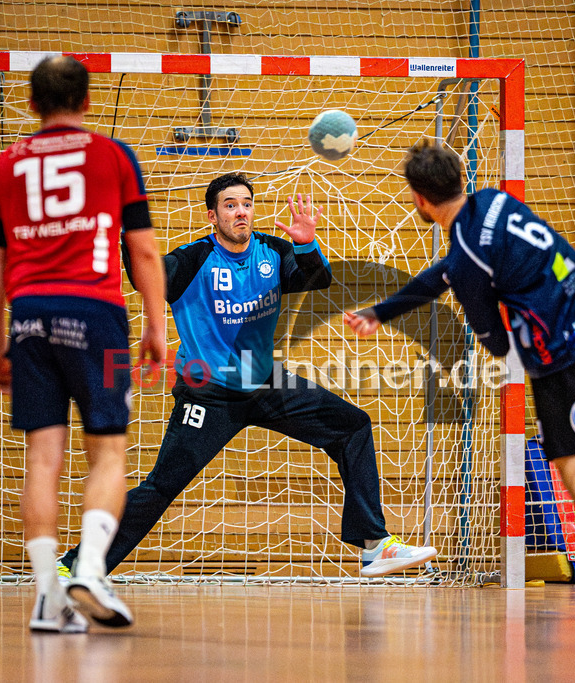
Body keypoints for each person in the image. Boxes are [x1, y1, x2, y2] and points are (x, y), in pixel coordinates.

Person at [343, 139, 575, 621]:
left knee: (572, 467)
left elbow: (493, 340)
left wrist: (496, 340)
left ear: (419, 199)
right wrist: (383, 311)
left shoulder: (466, 259)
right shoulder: (494, 201)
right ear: (460, 175)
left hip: (563, 353)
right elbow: (446, 273)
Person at [58, 172, 436, 579]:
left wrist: (306, 242)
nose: (241, 212)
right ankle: (78, 564)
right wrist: (120, 230)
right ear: (212, 215)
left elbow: (317, 278)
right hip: (208, 393)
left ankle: (374, 546)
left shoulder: (270, 251)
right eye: (230, 205)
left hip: (265, 384)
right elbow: (143, 275)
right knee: (160, 487)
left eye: (246, 204)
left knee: (352, 427)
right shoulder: (193, 260)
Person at [0, 56, 166, 632]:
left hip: (30, 317)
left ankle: (46, 597)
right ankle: (89, 566)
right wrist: (157, 325)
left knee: (42, 456)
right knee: (107, 451)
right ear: (87, 102)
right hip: (97, 313)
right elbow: (143, 251)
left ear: (32, 104)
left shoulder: (4, 165)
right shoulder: (112, 155)